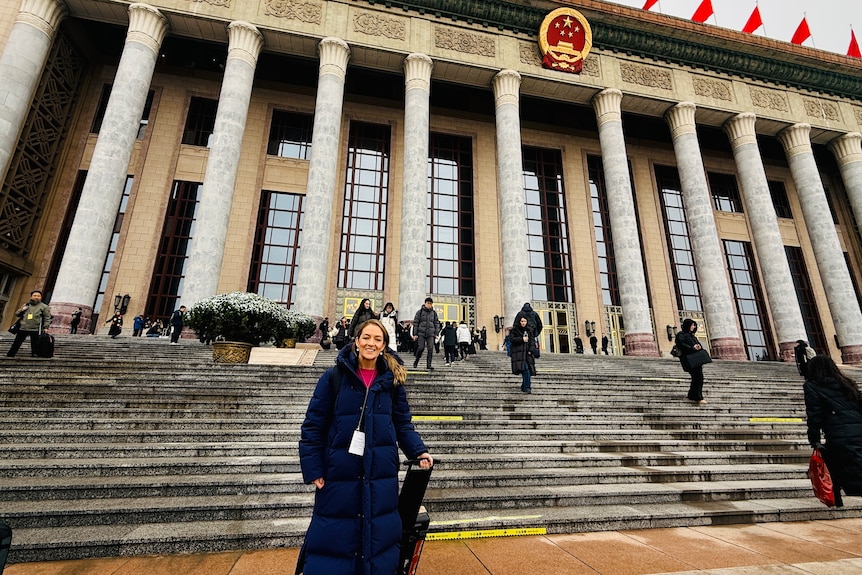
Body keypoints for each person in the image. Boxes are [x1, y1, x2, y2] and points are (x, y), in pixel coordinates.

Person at [298, 319, 433, 575]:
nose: (371, 343)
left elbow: (403, 424)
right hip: (339, 474)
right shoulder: (334, 378)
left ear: (383, 346)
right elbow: (313, 426)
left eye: (377, 339)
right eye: (366, 337)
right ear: (357, 341)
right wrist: (313, 468)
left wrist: (418, 450)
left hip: (379, 474)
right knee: (335, 538)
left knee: (378, 540)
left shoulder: (391, 382)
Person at [803, 355, 862, 507]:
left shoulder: (812, 385)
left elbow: (814, 414)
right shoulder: (847, 383)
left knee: (835, 464)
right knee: (841, 463)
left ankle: (835, 496)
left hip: (839, 433)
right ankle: (836, 497)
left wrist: (814, 439)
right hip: (857, 430)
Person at [6, 290, 52, 358]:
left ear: (41, 297)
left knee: (35, 344)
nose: (36, 297)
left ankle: (35, 355)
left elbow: (47, 317)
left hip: (35, 328)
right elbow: (17, 314)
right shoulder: (26, 305)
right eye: (35, 296)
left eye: (38, 296)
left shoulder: (44, 307)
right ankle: (10, 354)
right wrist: (22, 310)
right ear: (31, 297)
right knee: (16, 343)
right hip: (23, 327)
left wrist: (46, 327)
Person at [675, 318, 707, 405]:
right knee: (698, 377)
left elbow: (698, 345)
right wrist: (692, 348)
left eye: (694, 325)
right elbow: (681, 344)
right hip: (689, 360)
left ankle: (692, 395)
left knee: (698, 378)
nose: (693, 327)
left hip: (696, 360)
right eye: (692, 325)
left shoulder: (692, 336)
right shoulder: (681, 335)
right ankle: (698, 397)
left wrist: (698, 347)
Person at [412, 297, 441, 370]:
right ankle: (416, 360)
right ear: (425, 303)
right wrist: (415, 334)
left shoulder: (434, 313)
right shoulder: (420, 312)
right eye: (428, 303)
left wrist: (436, 333)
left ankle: (429, 364)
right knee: (421, 348)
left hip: (431, 334)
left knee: (430, 349)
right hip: (421, 333)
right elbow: (416, 323)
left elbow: (436, 323)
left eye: (430, 304)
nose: (429, 305)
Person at [510, 317, 537, 394]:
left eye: (524, 321)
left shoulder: (529, 331)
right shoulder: (514, 330)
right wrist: (521, 339)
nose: (523, 323)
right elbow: (512, 339)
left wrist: (531, 350)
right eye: (522, 321)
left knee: (527, 369)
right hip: (518, 354)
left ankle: (524, 386)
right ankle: (527, 387)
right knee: (525, 369)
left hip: (527, 354)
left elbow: (532, 341)